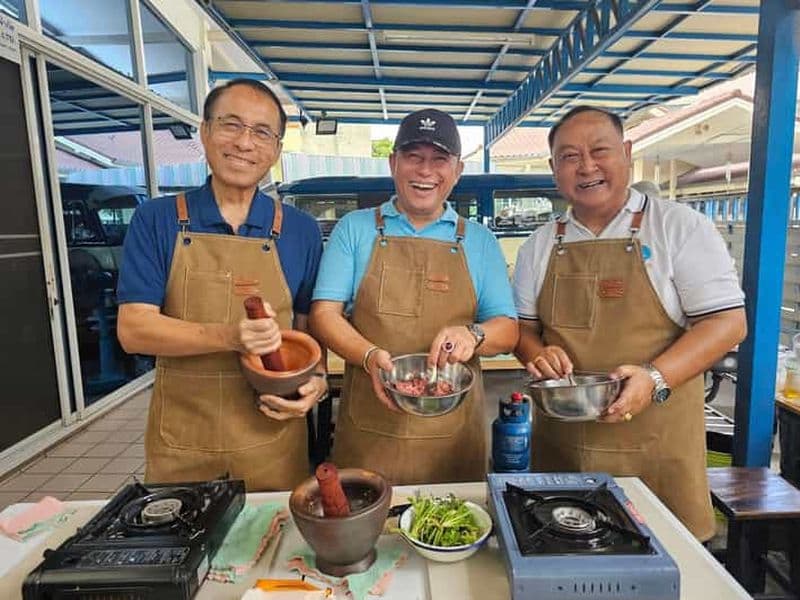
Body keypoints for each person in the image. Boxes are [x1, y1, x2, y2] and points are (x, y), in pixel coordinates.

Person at [512, 106, 746, 542]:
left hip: (657, 447)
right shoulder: (539, 245)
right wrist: (538, 353)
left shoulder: (680, 228)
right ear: (553, 168)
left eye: (599, 151)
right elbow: (523, 331)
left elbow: (727, 323)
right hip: (564, 448)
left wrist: (655, 377)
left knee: (665, 557)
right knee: (566, 556)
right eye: (569, 156)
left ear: (627, 152)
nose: (586, 167)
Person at [116, 79, 327, 491]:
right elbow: (133, 329)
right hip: (184, 443)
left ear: (277, 149)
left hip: (273, 442)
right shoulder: (157, 219)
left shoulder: (300, 230)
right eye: (231, 125)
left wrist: (316, 381)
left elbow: (308, 331)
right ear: (205, 131)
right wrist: (231, 336)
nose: (244, 143)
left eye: (262, 132)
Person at [309, 109, 518, 484]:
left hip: (453, 437)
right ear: (393, 163)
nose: (425, 171)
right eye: (413, 157)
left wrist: (473, 334)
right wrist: (368, 355)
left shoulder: (480, 241)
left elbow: (508, 330)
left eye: (439, 159)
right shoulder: (354, 229)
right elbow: (324, 314)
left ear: (457, 171)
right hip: (370, 429)